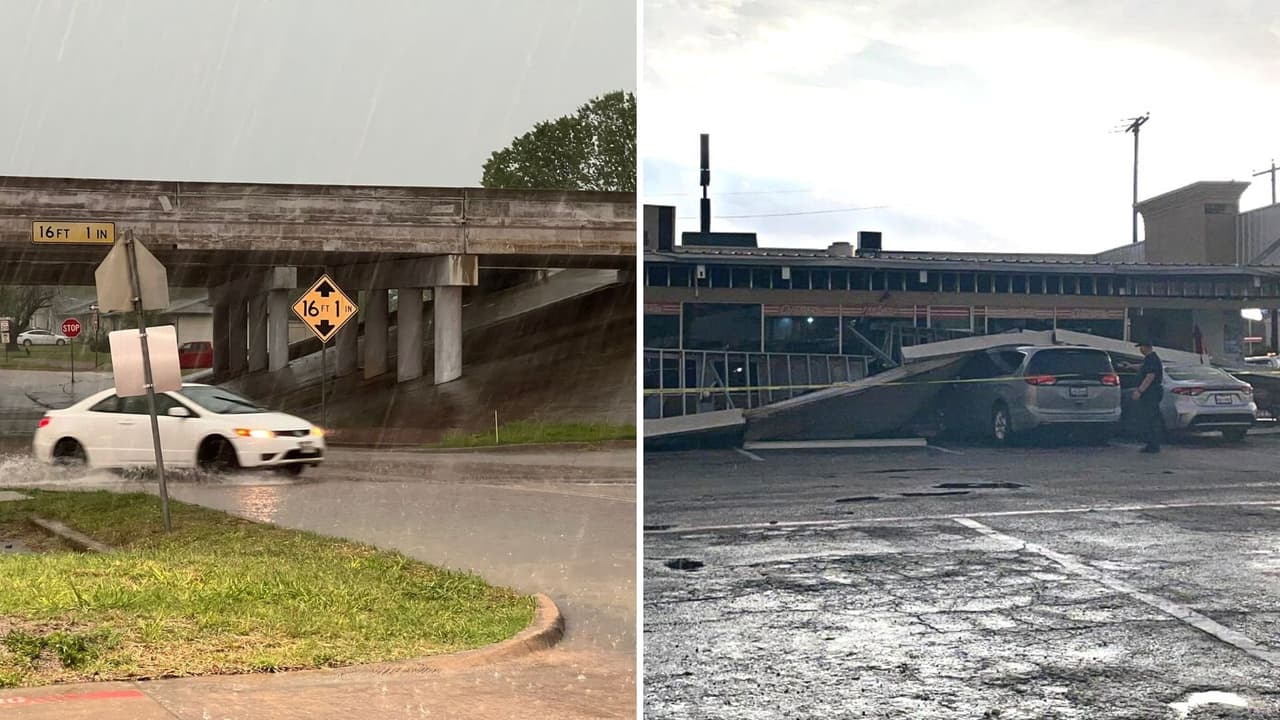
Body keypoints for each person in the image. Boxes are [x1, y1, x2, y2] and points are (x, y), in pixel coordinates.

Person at [1131, 341, 1163, 453]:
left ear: (1147, 347)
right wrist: (1130, 366)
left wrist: (1139, 391)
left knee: (1151, 419)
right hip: (1151, 393)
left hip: (1151, 393)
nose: (1140, 349)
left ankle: (1153, 445)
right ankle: (1151, 443)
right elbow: (1143, 367)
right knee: (1149, 418)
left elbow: (1150, 376)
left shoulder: (1152, 359)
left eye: (1141, 347)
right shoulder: (1149, 359)